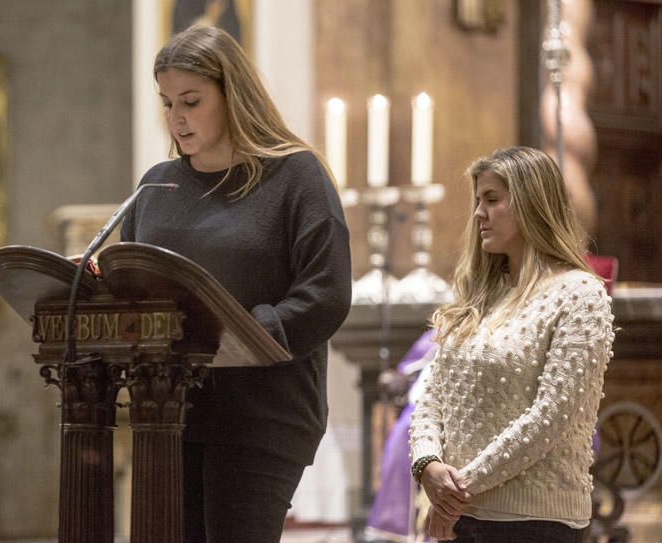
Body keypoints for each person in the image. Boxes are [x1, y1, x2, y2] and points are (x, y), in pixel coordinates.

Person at [120, 25, 352, 543]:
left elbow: (326, 295)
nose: (176, 117)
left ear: (233, 95)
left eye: (191, 101)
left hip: (261, 413)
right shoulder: (156, 186)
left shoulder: (295, 176)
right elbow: (131, 287)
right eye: (166, 103)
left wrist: (233, 337)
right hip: (168, 412)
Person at [408, 146, 614, 542]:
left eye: (492, 200)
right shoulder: (479, 297)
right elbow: (432, 396)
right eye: (478, 200)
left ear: (530, 204)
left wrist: (457, 489)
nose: (478, 214)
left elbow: (550, 419)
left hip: (534, 522)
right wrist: (427, 464)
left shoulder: (579, 294)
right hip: (461, 514)